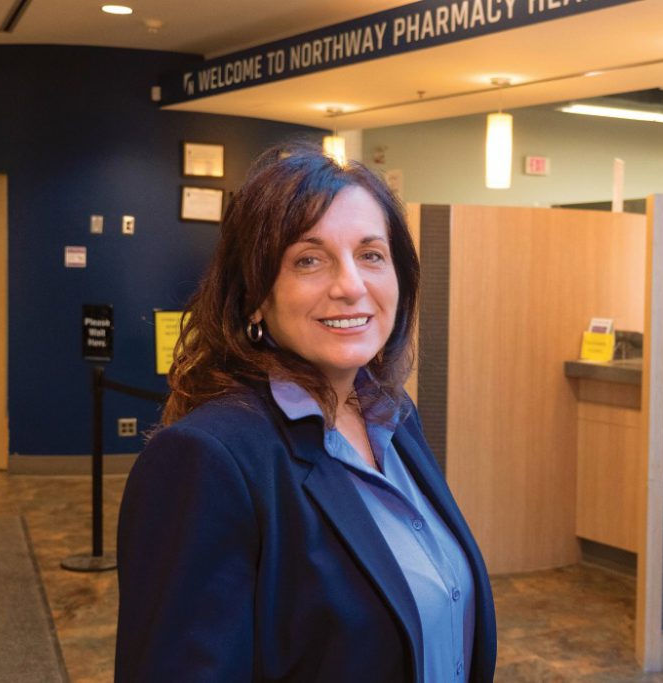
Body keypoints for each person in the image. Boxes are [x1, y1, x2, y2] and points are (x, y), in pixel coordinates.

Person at [115, 141, 497, 682]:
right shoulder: (208, 460)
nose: (350, 286)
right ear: (256, 296)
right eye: (308, 260)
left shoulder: (392, 415)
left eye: (371, 255)